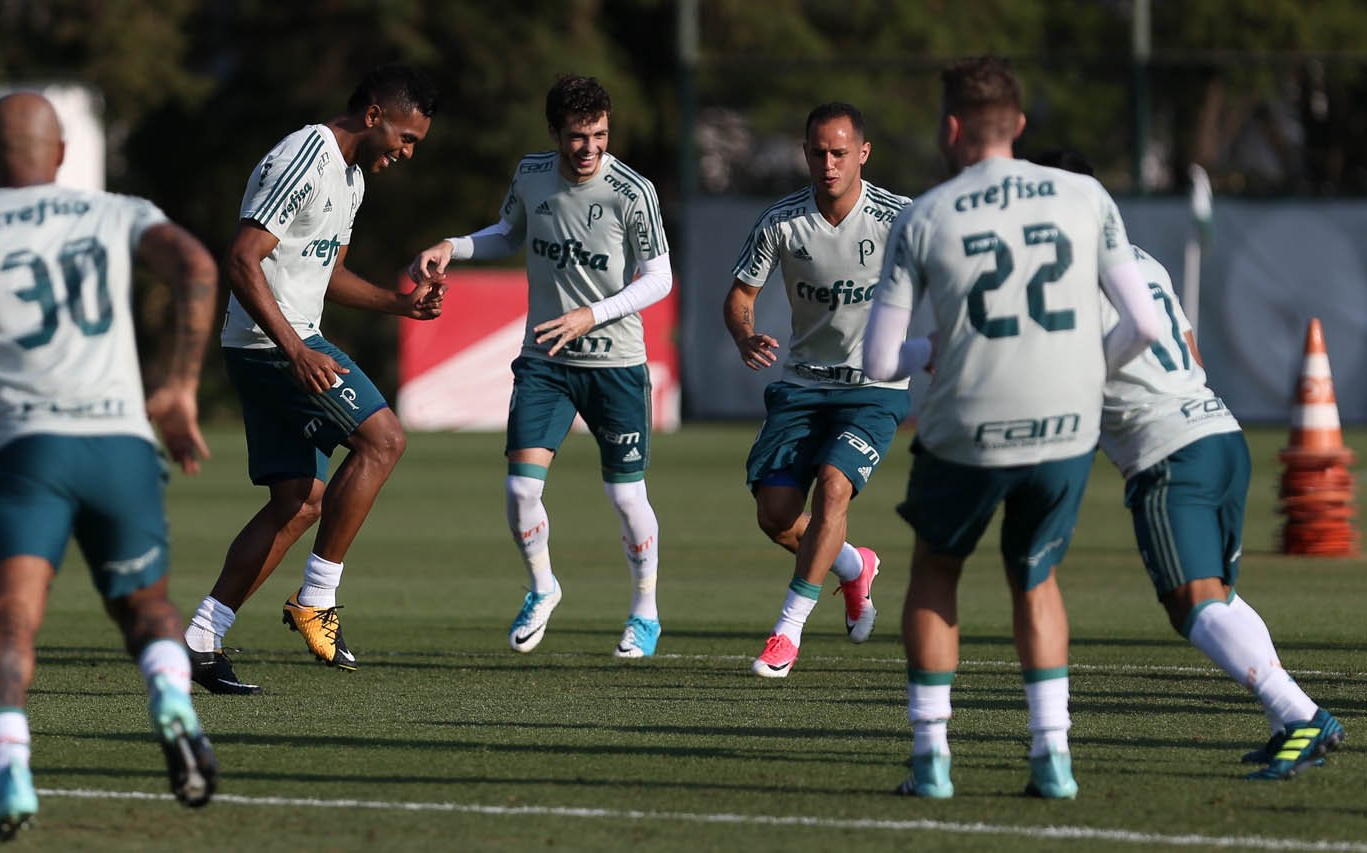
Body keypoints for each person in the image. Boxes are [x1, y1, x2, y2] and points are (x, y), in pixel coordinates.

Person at [0, 92, 220, 841]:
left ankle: (10, 773)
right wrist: (176, 385)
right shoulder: (117, 211)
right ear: (63, 155)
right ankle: (172, 701)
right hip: (120, 445)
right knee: (147, 609)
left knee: (9, 619)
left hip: (28, 454)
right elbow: (198, 265)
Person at [860, 57, 1162, 799]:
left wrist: (932, 351)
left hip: (967, 424)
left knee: (937, 567)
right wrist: (1089, 373)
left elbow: (877, 363)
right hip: (1065, 428)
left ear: (952, 127)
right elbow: (1146, 322)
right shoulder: (1086, 195)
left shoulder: (924, 214)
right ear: (1019, 126)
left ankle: (931, 758)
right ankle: (1051, 757)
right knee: (1036, 576)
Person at [1031, 148, 1347, 781]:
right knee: (1213, 599)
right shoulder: (1142, 263)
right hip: (1219, 434)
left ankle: (1301, 714)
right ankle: (1297, 719)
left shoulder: (1062, 275)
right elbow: (1190, 350)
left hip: (1170, 453)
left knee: (1194, 603)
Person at [180, 64, 442, 694]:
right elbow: (242, 258)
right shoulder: (307, 153)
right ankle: (317, 598)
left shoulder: (351, 178)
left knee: (300, 502)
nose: (406, 154)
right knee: (384, 440)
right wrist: (296, 349)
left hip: (278, 342)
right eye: (406, 139)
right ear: (374, 115)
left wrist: (398, 303)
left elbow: (327, 275)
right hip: (273, 346)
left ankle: (198, 640)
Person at [410, 74, 673, 658]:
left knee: (627, 499)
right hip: (545, 361)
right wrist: (453, 246)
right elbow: (508, 235)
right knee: (521, 487)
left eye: (601, 135)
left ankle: (645, 611)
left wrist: (591, 315)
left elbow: (660, 278)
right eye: (578, 137)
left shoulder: (634, 192)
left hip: (616, 364)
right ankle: (543, 587)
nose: (590, 149)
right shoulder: (532, 174)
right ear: (554, 132)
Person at [722, 102, 912, 678]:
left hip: (876, 387)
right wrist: (745, 334)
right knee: (776, 517)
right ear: (805, 153)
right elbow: (739, 298)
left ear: (863, 153)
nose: (828, 163)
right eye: (817, 153)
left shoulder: (899, 218)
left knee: (833, 488)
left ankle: (787, 631)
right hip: (803, 385)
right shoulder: (782, 220)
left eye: (839, 152)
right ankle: (854, 566)